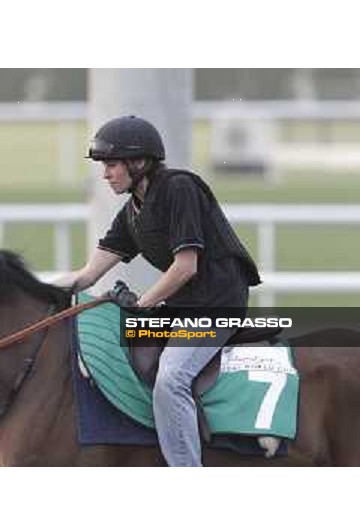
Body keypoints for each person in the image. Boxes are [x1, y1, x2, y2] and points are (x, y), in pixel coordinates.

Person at [56, 115, 261, 466]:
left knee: (171, 378)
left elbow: (186, 266)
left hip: (216, 307)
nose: (105, 174)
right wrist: (30, 290)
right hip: (182, 308)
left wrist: (142, 303)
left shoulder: (179, 189)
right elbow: (88, 275)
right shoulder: (132, 212)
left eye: (111, 165)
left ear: (138, 163)